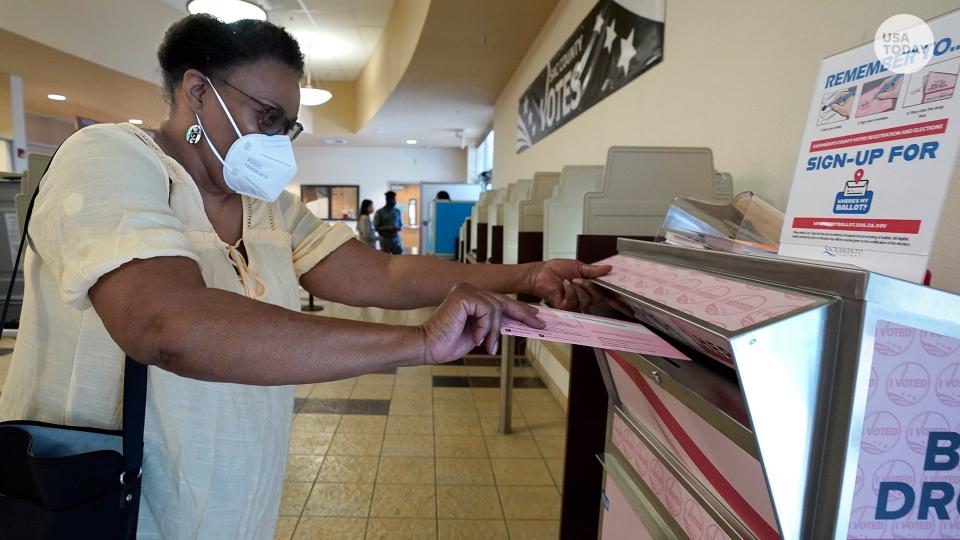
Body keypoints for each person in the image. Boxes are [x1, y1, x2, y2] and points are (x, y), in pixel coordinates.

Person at [0, 15, 616, 538]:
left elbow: (384, 273)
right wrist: (417, 343)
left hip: (236, 493)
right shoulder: (108, 159)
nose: (279, 142)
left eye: (287, 126)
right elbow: (168, 325)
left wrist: (527, 275)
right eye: (266, 115)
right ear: (196, 91)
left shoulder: (267, 207)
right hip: (116, 496)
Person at [373, 190, 404, 254]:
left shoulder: (397, 211)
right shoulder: (380, 212)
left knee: (399, 258)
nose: (394, 201)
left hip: (396, 238)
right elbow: (375, 227)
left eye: (394, 199)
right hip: (385, 240)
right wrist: (387, 228)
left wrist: (397, 227)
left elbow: (401, 226)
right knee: (386, 260)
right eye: (392, 199)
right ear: (387, 199)